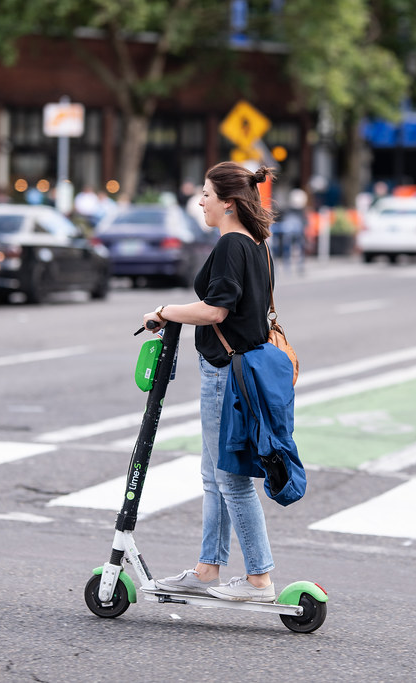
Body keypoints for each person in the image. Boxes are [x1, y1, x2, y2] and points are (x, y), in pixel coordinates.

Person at [141, 161, 278, 602]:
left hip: (225, 372)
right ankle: (207, 568)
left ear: (228, 202)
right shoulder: (258, 244)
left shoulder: (230, 246)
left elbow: (216, 310)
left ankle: (258, 578)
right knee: (214, 475)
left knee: (230, 478)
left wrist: (164, 312)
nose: (200, 201)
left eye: (206, 193)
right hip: (245, 368)